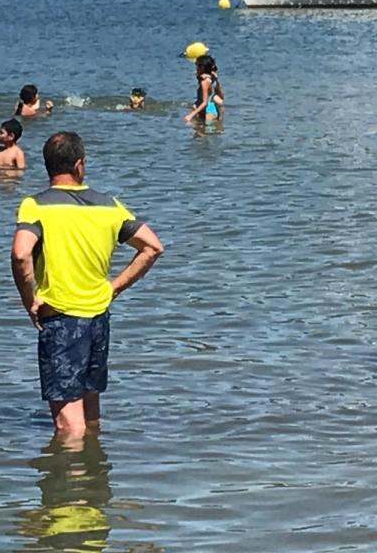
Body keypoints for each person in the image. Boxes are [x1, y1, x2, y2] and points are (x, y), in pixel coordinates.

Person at [11, 132, 163, 438]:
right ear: (79, 165)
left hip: (61, 318)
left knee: (69, 426)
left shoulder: (35, 205)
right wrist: (113, 287)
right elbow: (152, 247)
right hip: (99, 317)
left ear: (47, 166)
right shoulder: (110, 206)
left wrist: (30, 301)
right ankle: (97, 479)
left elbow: (20, 253)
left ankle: (74, 482)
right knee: (91, 413)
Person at [183, 55, 224, 123]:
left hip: (208, 112)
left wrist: (190, 115)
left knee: (201, 132)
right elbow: (221, 97)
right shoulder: (213, 77)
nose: (195, 68)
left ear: (201, 68)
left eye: (197, 66)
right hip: (214, 109)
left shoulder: (204, 82)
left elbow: (204, 103)